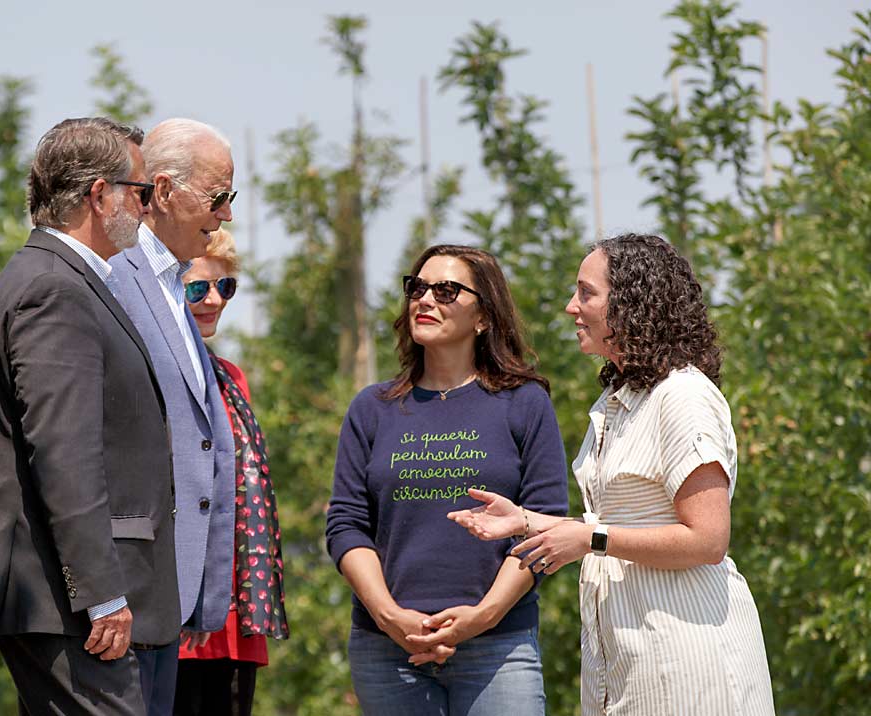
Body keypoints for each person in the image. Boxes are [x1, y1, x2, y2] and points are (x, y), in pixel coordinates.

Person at [449, 234, 776, 715]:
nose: (570, 308)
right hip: (627, 660)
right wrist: (524, 520)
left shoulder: (683, 396)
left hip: (688, 660)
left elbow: (708, 540)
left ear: (631, 304)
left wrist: (590, 539)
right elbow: (614, 523)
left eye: (586, 293)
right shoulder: (617, 402)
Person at [0, 117, 180, 715]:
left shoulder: (63, 280)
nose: (146, 209)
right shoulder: (54, 289)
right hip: (73, 606)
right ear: (98, 194)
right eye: (140, 192)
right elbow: (65, 452)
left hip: (74, 602)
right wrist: (102, 594)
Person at [326, 244, 569, 716]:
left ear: (484, 317)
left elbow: (543, 525)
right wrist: (389, 616)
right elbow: (346, 525)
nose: (425, 299)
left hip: (498, 649)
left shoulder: (525, 403)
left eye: (446, 290)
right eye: (417, 287)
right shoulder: (371, 408)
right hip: (389, 652)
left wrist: (484, 616)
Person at [106, 118, 238, 715]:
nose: (227, 215)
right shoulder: (116, 278)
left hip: (171, 599)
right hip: (122, 597)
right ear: (162, 190)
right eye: (218, 197)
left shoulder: (168, 285)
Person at [173, 229, 289, 716]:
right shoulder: (151, 368)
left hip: (233, 612)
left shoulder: (231, 377)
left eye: (226, 287)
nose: (214, 300)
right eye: (198, 288)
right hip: (175, 612)